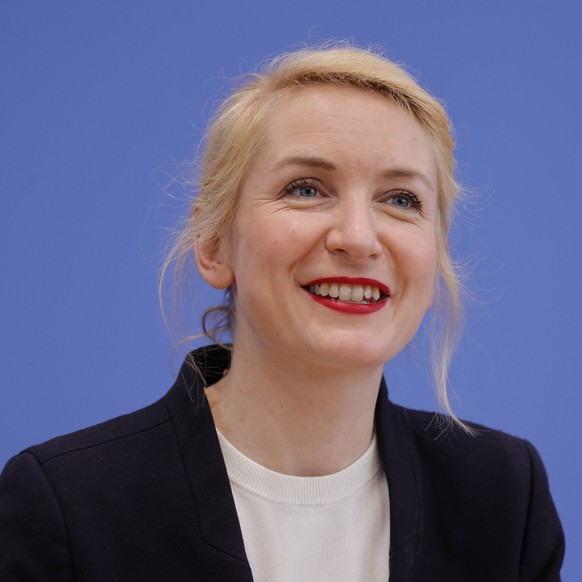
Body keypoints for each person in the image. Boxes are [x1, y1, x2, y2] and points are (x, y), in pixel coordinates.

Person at [0, 45, 564, 581]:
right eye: (306, 188)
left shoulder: (504, 496)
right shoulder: (66, 504)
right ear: (214, 243)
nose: (359, 238)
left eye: (401, 200)